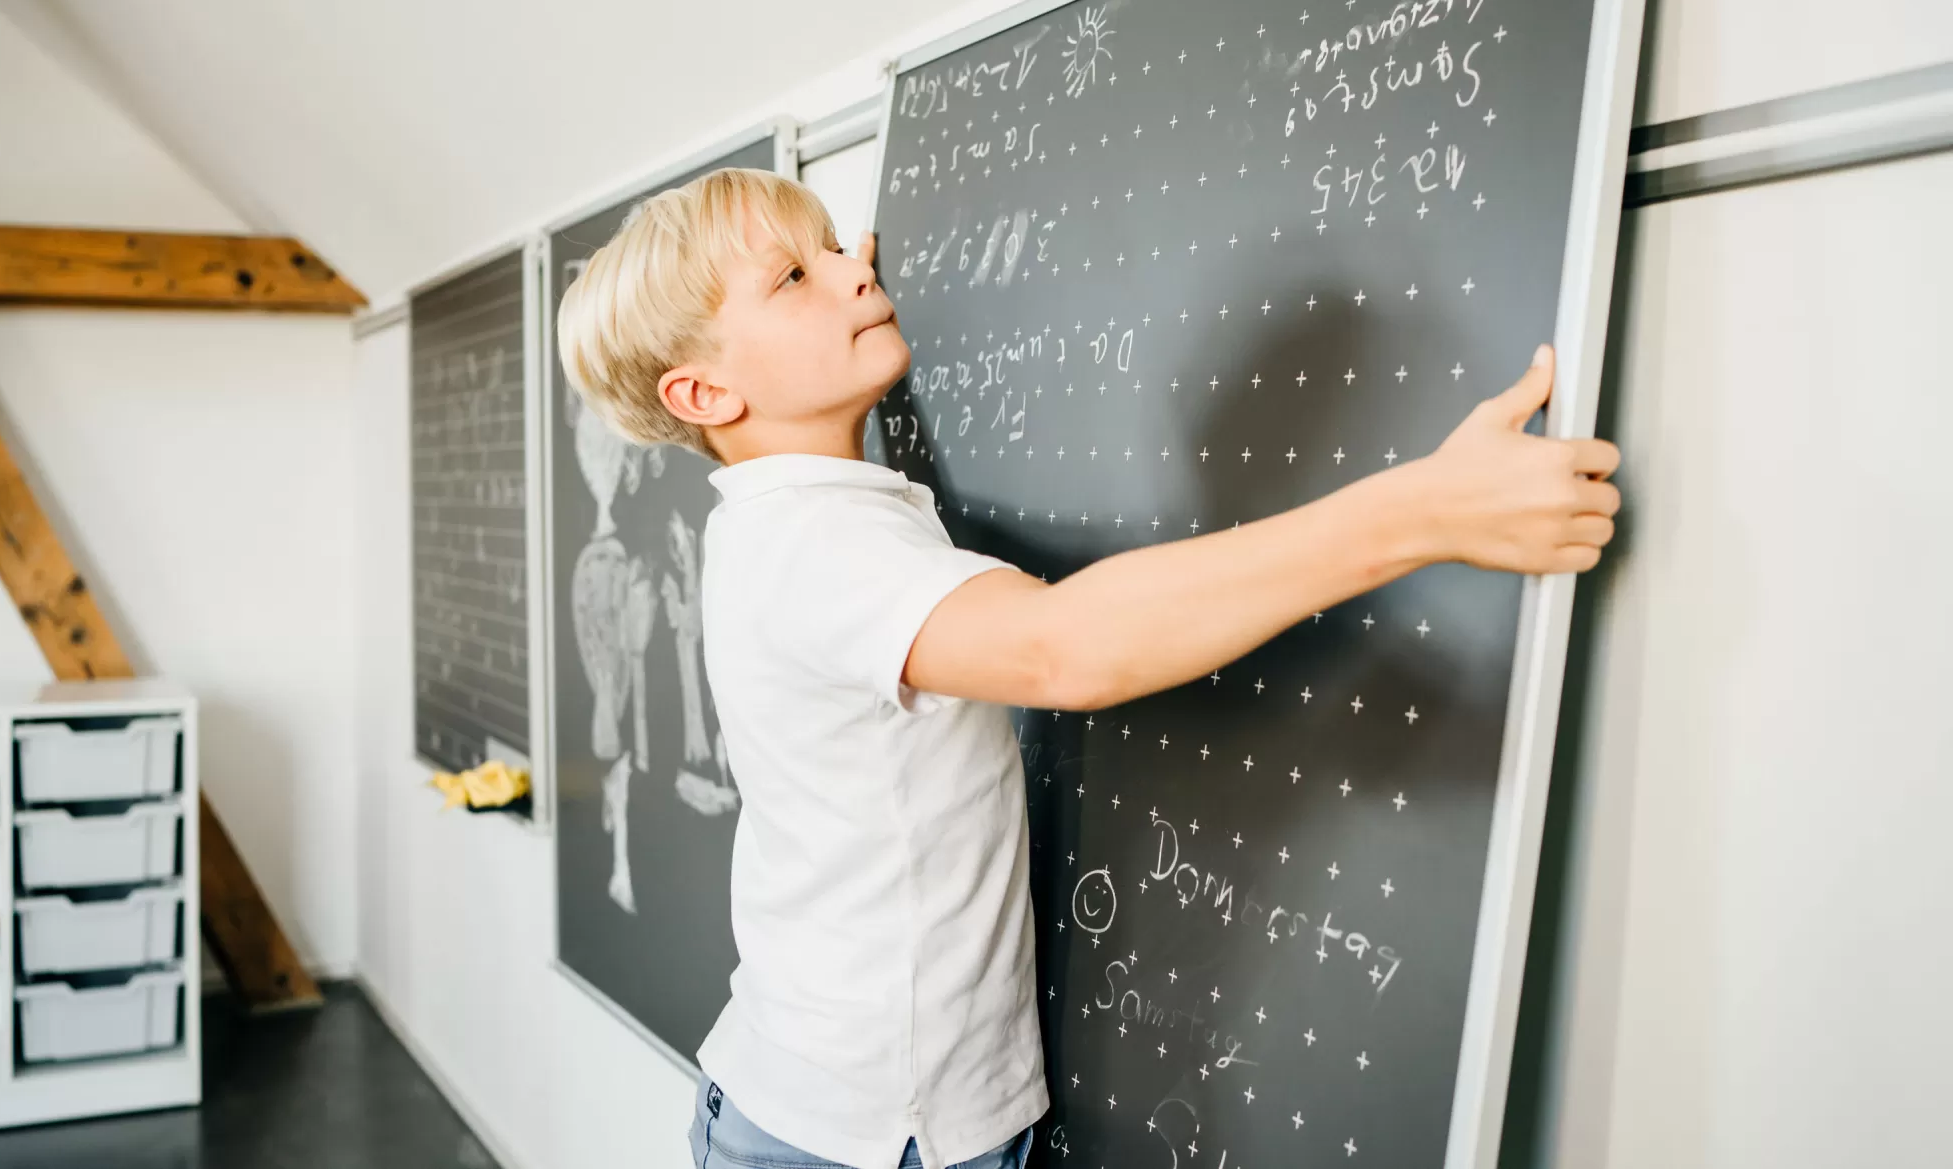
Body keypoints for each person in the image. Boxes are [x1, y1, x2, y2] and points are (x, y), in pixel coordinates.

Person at [555, 168, 1620, 1169]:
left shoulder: (788, 516)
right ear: (702, 395)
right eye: (794, 276)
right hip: (867, 1138)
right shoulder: (817, 552)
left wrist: (814, 287)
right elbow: (1061, 645)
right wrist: (1421, 508)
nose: (853, 271)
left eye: (837, 247)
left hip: (835, 1101)